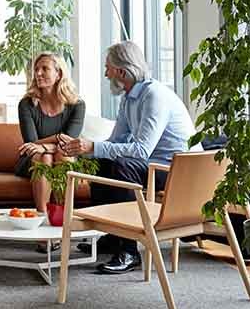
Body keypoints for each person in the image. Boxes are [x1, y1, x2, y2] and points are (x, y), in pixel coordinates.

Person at [62, 40, 198, 274]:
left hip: (176, 171)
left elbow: (141, 150)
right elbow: (116, 141)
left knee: (123, 167)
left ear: (121, 71)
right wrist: (85, 148)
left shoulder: (154, 96)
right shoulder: (129, 97)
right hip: (155, 165)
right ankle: (114, 235)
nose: (106, 74)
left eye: (108, 68)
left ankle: (129, 251)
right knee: (101, 161)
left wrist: (92, 146)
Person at [15, 52, 86, 213]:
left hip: (64, 154)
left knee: (64, 155)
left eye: (45, 69)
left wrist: (46, 146)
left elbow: (69, 144)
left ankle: (62, 219)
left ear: (59, 73)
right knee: (43, 157)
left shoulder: (77, 105)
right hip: (32, 159)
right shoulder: (26, 104)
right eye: (36, 69)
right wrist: (56, 138)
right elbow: (31, 143)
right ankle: (42, 216)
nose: (38, 73)